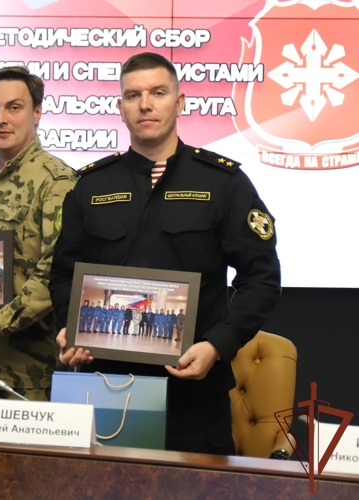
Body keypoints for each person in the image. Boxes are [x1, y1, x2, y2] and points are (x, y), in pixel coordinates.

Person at [49, 52, 280, 454]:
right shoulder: (91, 185)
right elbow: (63, 274)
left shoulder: (223, 182)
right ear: (120, 107)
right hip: (105, 385)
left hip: (192, 395)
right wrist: (75, 324)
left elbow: (261, 278)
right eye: (133, 95)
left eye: (158, 93)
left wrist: (217, 344)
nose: (145, 104)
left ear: (180, 102)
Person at [0, 65, 77, 401]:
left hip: (31, 368)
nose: (1, 119)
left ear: (37, 113)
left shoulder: (56, 181)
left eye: (14, 107)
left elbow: (54, 270)